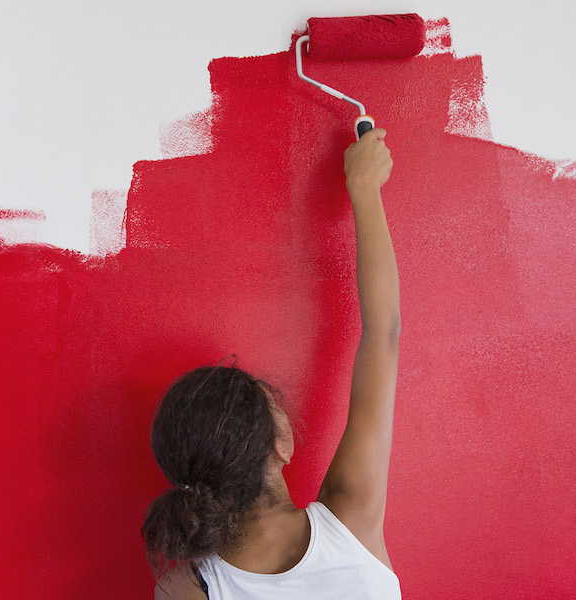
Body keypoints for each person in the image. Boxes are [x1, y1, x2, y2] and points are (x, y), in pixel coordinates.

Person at [142, 128, 401, 599]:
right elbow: (382, 334)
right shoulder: (351, 519)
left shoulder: (186, 589)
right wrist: (364, 190)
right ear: (281, 445)